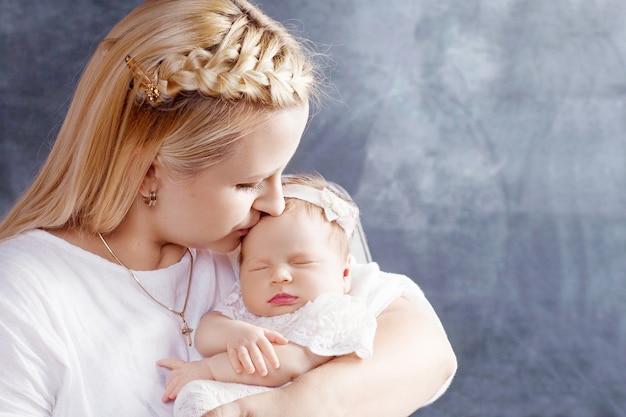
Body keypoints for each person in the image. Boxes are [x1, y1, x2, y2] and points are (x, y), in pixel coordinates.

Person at [0, 0, 457, 416]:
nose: (276, 202)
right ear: (148, 170)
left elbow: (429, 351)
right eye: (247, 183)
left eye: (281, 173)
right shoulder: (23, 294)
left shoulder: (260, 246)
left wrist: (279, 408)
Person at [158, 174, 386, 416]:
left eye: (302, 262)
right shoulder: (245, 305)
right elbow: (205, 334)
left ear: (345, 273)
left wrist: (207, 370)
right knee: (194, 397)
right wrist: (234, 333)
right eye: (260, 267)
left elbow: (284, 364)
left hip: (293, 404)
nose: (279, 276)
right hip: (233, 395)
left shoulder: (332, 312)